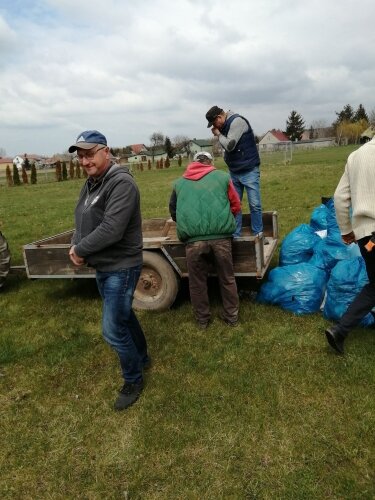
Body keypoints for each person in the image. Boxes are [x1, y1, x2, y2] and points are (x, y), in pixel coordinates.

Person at [68, 130, 149, 410]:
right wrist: (75, 243)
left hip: (121, 266)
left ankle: (133, 379)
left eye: (89, 154)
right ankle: (142, 356)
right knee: (123, 316)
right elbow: (82, 218)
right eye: (80, 156)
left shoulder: (121, 183)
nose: (84, 161)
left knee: (112, 330)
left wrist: (80, 250)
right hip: (104, 265)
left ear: (106, 151)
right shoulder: (92, 183)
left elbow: (111, 229)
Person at [169, 151, 241, 328]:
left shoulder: (179, 184)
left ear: (193, 163)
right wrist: (224, 220)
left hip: (193, 241)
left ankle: (203, 320)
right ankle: (231, 317)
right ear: (210, 162)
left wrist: (189, 225)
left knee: (197, 282)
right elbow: (236, 205)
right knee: (227, 278)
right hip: (222, 238)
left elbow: (173, 210)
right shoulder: (223, 177)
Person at [325, 136, 375, 354]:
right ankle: (340, 330)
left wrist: (346, 231)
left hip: (365, 236)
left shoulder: (355, 156)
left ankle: (340, 331)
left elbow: (339, 197)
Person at [205, 105, 267, 242]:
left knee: (255, 204)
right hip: (235, 172)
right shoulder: (225, 126)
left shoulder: (237, 122)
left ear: (219, 117)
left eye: (214, 123)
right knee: (235, 205)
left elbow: (229, 145)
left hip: (249, 170)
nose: (214, 127)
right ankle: (236, 235)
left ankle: (258, 235)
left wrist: (218, 135)